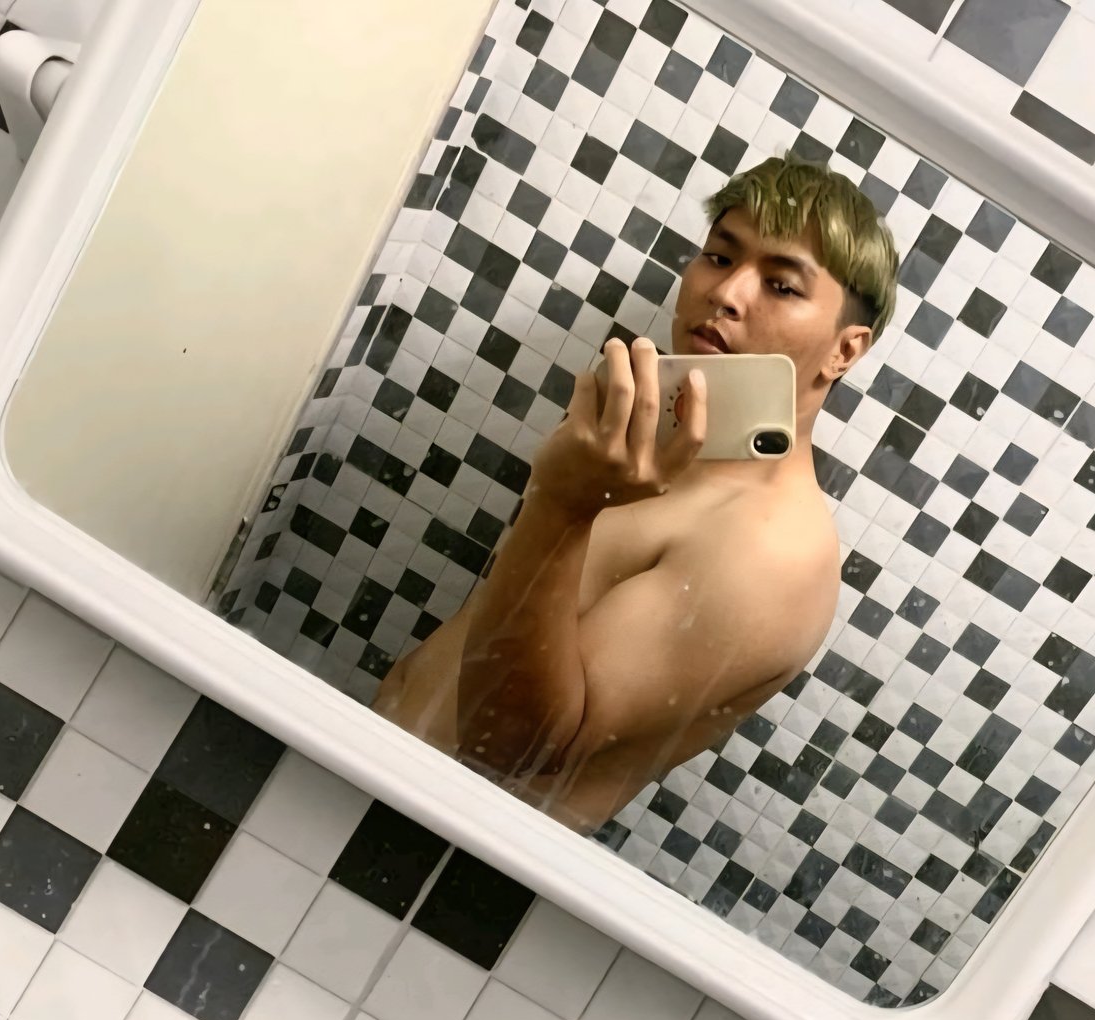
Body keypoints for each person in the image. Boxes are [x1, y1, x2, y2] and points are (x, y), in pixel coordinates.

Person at [373, 151, 900, 830]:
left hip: (433, 850)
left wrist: (563, 509)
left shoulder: (772, 550)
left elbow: (507, 749)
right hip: (375, 786)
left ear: (844, 350)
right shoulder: (649, 450)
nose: (727, 292)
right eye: (719, 256)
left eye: (781, 285)